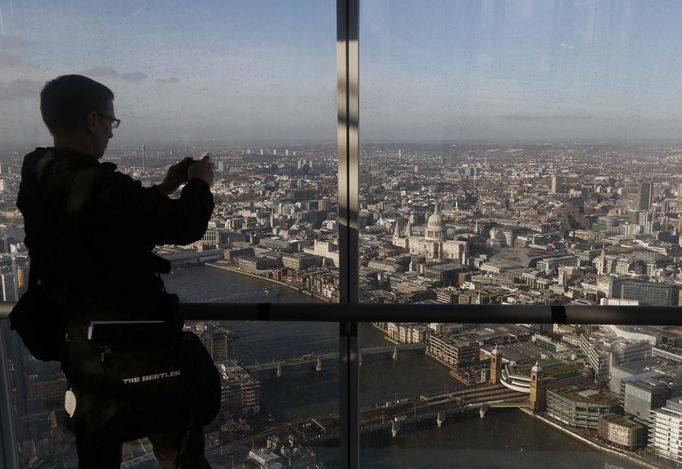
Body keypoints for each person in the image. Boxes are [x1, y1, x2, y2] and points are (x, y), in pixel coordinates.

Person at [16, 74, 218, 468]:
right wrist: (198, 186)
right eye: (111, 122)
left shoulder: (38, 175)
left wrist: (163, 187)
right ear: (92, 120)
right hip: (133, 342)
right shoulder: (100, 185)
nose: (111, 132)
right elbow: (185, 226)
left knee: (98, 447)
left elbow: (105, 224)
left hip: (78, 344)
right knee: (177, 433)